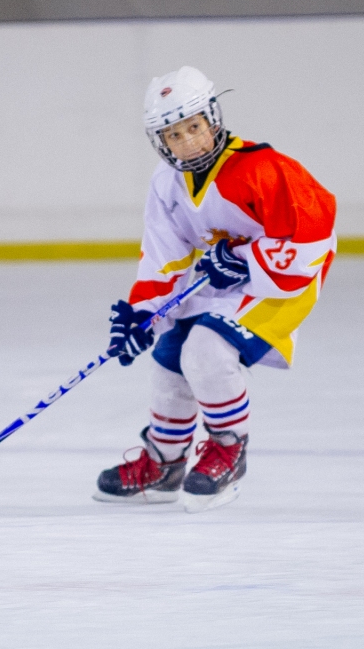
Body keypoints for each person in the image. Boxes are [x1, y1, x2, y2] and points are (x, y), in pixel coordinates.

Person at [93, 66, 337, 513]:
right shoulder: (167, 183)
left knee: (206, 351)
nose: (188, 142)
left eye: (194, 127)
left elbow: (312, 238)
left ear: (212, 119)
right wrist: (143, 314)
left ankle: (229, 449)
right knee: (168, 355)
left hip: (281, 284)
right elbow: (166, 257)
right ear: (159, 141)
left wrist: (245, 259)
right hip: (221, 279)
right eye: (173, 134)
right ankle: (164, 466)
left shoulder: (266, 169)